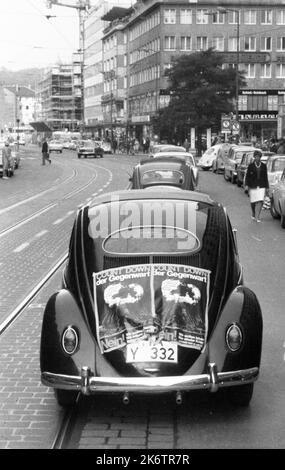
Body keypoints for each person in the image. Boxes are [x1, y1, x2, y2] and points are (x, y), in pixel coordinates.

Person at [245, 149, 269, 223]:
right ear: (254, 157)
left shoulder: (264, 166)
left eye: (258, 157)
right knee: (253, 201)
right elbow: (247, 176)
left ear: (260, 157)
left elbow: (265, 176)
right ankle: (253, 213)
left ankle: (258, 216)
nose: (257, 158)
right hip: (253, 185)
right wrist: (246, 185)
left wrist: (267, 187)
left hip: (261, 185)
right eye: (256, 157)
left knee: (260, 200)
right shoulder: (251, 166)